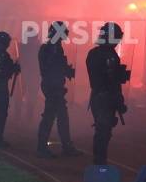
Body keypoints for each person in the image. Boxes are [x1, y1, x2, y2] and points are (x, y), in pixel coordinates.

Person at [85, 22, 131, 165]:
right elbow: (112, 82)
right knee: (103, 132)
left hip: (98, 97)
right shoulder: (109, 56)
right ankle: (99, 164)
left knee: (102, 131)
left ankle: (99, 162)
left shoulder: (94, 53)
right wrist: (119, 100)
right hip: (105, 98)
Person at [36, 21, 81, 158]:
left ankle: (65, 146)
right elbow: (50, 67)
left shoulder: (55, 47)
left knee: (61, 117)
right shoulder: (50, 48)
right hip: (52, 86)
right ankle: (42, 148)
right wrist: (65, 70)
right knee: (50, 117)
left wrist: (68, 71)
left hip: (55, 85)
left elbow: (57, 66)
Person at [16, 28, 41, 121]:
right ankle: (21, 116)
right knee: (23, 96)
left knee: (31, 96)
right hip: (25, 74)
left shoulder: (22, 46)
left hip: (32, 74)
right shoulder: (21, 47)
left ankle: (26, 116)